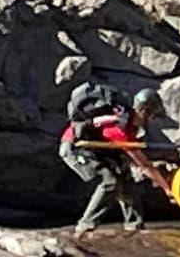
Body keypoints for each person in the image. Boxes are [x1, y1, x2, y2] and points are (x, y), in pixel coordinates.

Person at [59, 86, 171, 234]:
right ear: (143, 112)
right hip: (76, 148)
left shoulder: (129, 124)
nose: (153, 121)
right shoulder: (119, 127)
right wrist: (167, 189)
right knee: (109, 181)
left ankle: (134, 226)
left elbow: (137, 161)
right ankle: (85, 226)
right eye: (153, 117)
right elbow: (144, 165)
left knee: (125, 176)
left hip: (99, 148)